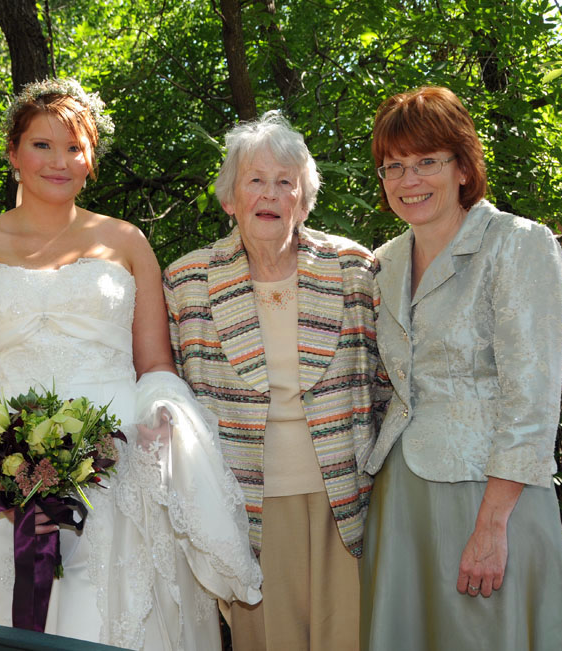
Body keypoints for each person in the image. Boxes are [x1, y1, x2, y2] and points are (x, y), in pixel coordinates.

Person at [0, 78, 262, 650]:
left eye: (75, 147)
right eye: (41, 145)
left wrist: (161, 413)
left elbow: (155, 363)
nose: (60, 161)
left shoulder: (127, 242)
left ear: (91, 160)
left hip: (117, 465)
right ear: (13, 154)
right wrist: (0, 481)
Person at [359, 86, 562, 650]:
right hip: (401, 495)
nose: (408, 181)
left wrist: (491, 525)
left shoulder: (517, 244)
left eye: (426, 162)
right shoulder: (382, 263)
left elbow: (531, 399)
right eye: (393, 167)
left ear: (462, 166)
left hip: (490, 496)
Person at [163, 110, 382, 651]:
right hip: (246, 503)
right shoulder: (186, 280)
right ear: (229, 198)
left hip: (348, 501)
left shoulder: (353, 268)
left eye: (286, 182)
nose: (270, 194)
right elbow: (167, 388)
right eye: (255, 180)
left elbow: (385, 378)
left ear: (304, 201)